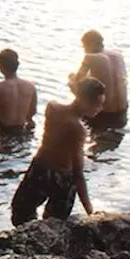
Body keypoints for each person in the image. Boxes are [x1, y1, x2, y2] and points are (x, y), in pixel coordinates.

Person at [10, 76, 106, 225]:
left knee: (21, 211)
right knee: (55, 223)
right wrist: (89, 210)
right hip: (62, 178)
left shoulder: (52, 107)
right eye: (97, 104)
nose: (100, 109)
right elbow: (78, 173)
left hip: (40, 168)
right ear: (84, 100)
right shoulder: (77, 128)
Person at [71, 29, 128, 128]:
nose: (84, 50)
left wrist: (71, 78)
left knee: (71, 81)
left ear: (92, 44)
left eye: (84, 46)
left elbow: (78, 81)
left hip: (103, 113)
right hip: (122, 113)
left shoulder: (90, 57)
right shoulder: (118, 55)